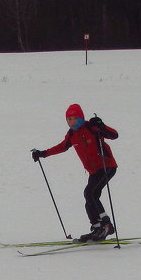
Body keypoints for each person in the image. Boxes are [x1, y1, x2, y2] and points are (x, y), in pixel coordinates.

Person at [31, 103, 119, 242]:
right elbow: (62, 147)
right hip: (94, 171)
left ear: (81, 118)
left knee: (90, 193)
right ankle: (98, 228)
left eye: (75, 118)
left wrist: (102, 125)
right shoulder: (72, 134)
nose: (72, 122)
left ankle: (106, 224)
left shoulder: (92, 127)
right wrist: (43, 153)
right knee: (90, 196)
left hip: (106, 166)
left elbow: (114, 135)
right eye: (69, 119)